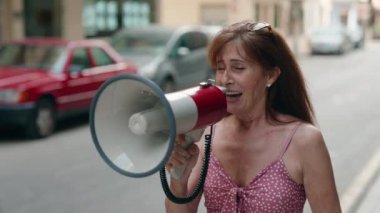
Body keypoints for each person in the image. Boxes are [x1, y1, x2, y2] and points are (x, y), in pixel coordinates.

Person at [164, 20, 341, 213]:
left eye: (238, 68)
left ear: (270, 76)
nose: (225, 79)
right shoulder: (208, 132)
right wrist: (178, 181)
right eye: (220, 68)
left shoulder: (305, 141)